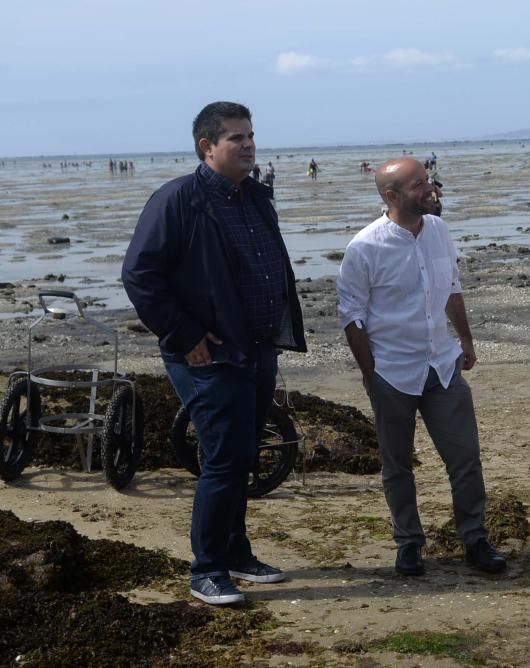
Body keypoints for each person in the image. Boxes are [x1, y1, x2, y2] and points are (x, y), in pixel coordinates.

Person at [122, 101, 307, 605]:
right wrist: (186, 337)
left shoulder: (255, 197)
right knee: (225, 458)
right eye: (235, 138)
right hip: (207, 355)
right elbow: (140, 275)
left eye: (250, 135)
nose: (248, 144)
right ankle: (206, 571)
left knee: (244, 453)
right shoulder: (179, 199)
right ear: (208, 147)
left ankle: (237, 553)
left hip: (258, 348)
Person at [337, 156, 507, 577]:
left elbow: (452, 288)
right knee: (397, 464)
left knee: (465, 458)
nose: (429, 189)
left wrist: (465, 341)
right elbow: (351, 316)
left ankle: (476, 539)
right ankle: (409, 544)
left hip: (442, 365)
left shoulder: (440, 231)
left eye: (427, 181)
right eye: (418, 185)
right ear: (392, 196)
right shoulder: (365, 247)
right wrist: (370, 373)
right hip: (392, 370)